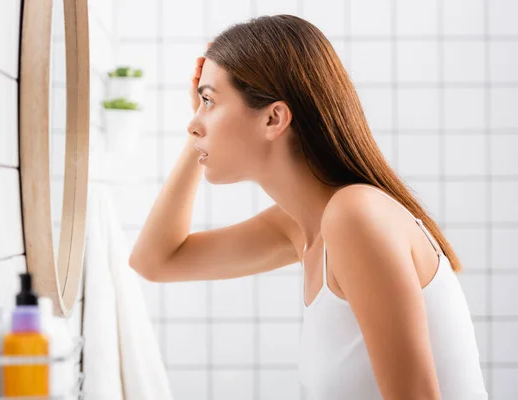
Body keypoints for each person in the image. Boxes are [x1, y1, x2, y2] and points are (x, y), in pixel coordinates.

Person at [129, 14, 488, 400]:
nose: (194, 122)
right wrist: (200, 127)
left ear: (274, 118)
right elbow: (156, 262)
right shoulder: (303, 225)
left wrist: (204, 127)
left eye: (210, 102)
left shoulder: (355, 215)